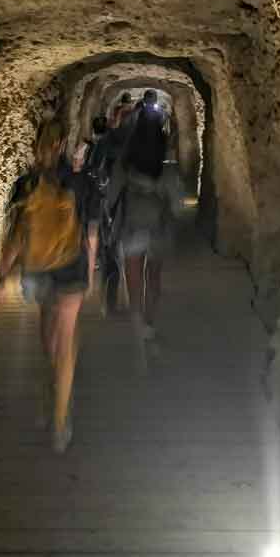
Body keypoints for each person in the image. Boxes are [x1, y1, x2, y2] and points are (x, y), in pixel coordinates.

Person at [0, 120, 100, 453]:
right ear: (63, 145)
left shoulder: (26, 184)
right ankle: (59, 419)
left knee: (48, 337)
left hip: (39, 270)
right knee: (67, 342)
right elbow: (92, 234)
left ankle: (48, 388)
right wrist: (92, 274)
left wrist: (3, 274)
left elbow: (17, 234)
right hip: (72, 269)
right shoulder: (82, 183)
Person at [112, 94, 181, 359]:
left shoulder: (126, 161)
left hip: (131, 228)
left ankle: (138, 324)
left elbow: (112, 195)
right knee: (153, 279)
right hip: (157, 230)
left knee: (134, 281)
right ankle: (149, 326)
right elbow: (177, 204)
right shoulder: (165, 165)